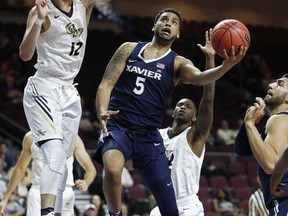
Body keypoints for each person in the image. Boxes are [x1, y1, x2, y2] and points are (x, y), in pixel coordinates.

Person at [93, 7, 247, 216]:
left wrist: (224, 67)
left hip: (149, 136)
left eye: (174, 22)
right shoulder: (128, 49)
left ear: (178, 33)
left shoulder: (178, 62)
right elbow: (106, 84)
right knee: (111, 170)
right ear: (154, 25)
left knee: (170, 210)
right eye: (164, 19)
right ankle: (115, 214)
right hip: (119, 126)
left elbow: (200, 78)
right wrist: (102, 110)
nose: (168, 23)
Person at [19, 0, 101, 215]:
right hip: (45, 86)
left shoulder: (83, 5)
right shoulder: (41, 11)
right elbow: (25, 54)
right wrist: (38, 19)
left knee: (63, 161)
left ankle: (54, 212)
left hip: (70, 91)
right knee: (54, 154)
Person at [149, 28, 215, 216]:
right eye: (179, 105)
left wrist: (210, 59)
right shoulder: (158, 135)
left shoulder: (195, 135)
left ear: (195, 116)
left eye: (188, 106)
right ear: (173, 112)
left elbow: (208, 100)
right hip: (161, 206)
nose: (182, 107)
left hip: (187, 206)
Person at [0, 131, 97, 216]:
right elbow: (20, 169)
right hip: (38, 190)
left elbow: (90, 169)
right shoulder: (31, 136)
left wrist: (87, 182)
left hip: (64, 191)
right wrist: (5, 199)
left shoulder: (72, 135)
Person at [234, 74, 288, 214]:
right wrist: (249, 123)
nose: (271, 85)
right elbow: (241, 149)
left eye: (280, 84)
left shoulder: (281, 119)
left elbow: (271, 165)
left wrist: (250, 124)